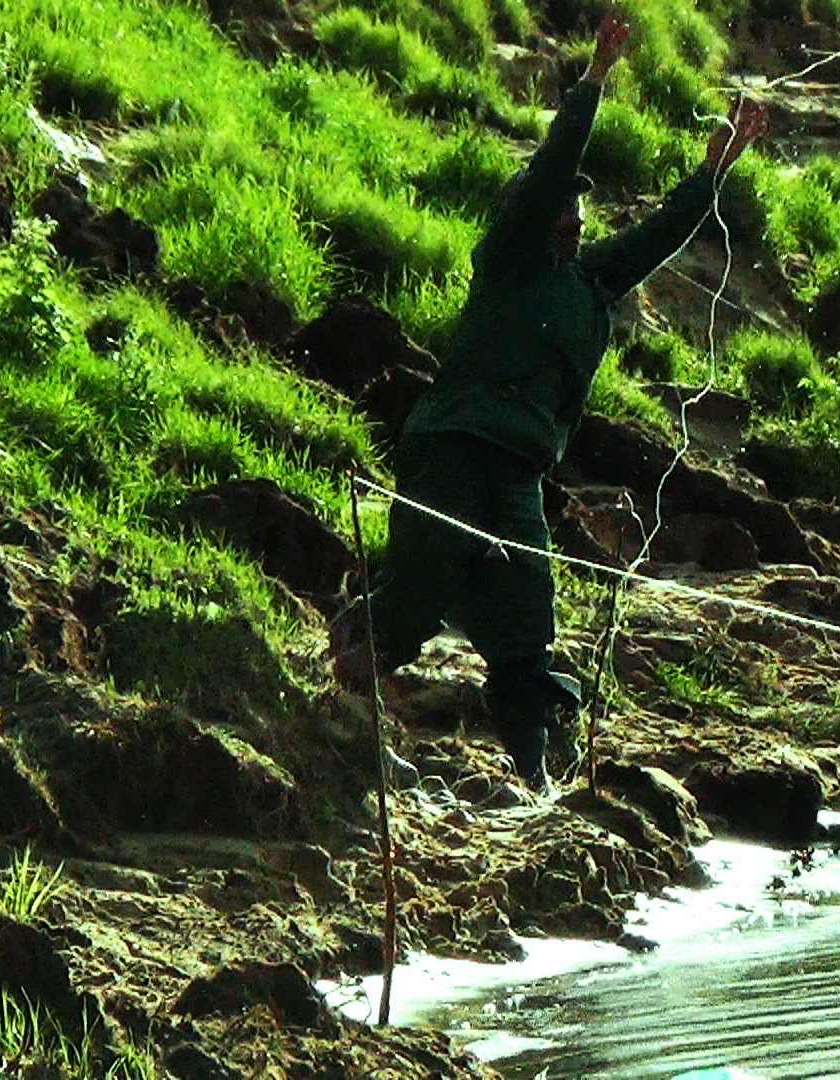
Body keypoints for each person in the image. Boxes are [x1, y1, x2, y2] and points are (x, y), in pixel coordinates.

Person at [336, 14, 769, 791]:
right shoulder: (507, 260)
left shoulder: (592, 283)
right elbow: (551, 168)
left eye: (579, 208)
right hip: (455, 446)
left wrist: (714, 171)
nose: (574, 214)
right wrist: (596, 80)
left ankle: (532, 773)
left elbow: (661, 233)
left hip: (518, 471)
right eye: (562, 205)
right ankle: (337, 700)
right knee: (418, 586)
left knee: (525, 614)